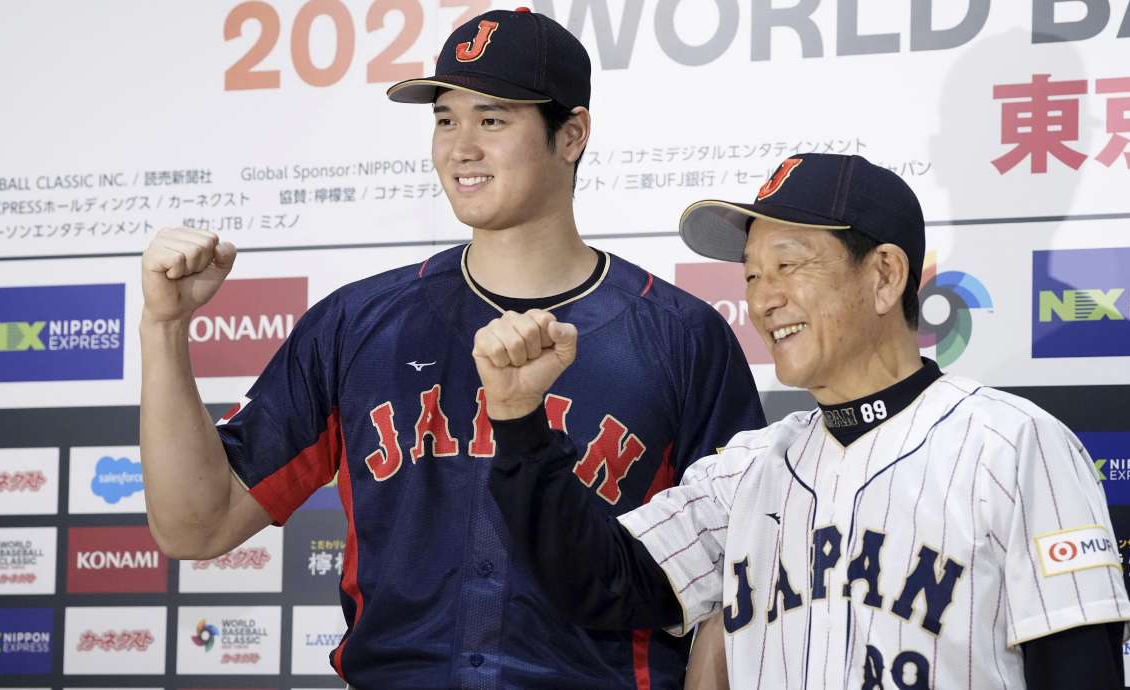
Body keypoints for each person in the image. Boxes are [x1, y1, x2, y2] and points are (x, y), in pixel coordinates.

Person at [138, 8, 763, 689]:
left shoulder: (680, 336)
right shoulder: (357, 323)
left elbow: (735, 576)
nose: (460, 146)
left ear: (572, 135)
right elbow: (196, 528)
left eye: (492, 120)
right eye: (445, 119)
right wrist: (164, 330)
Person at [477, 153, 1130, 689]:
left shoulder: (1013, 446)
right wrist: (519, 421)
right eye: (752, 273)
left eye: (788, 265)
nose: (763, 298)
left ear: (884, 276)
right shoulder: (748, 470)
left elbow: (1079, 670)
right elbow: (598, 581)